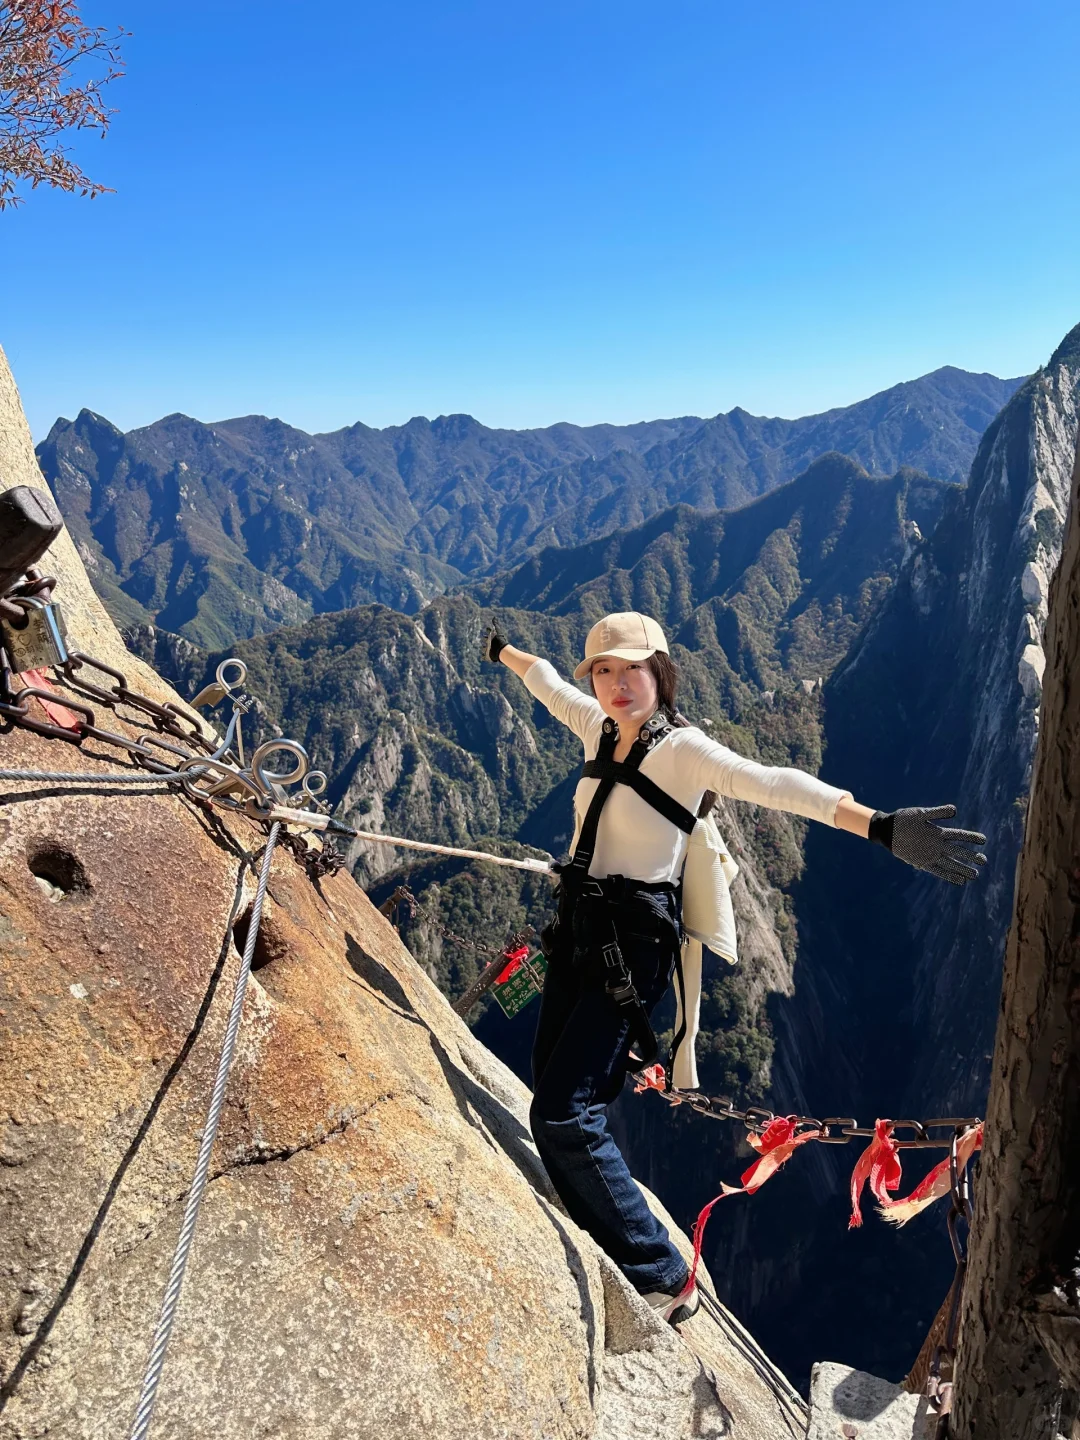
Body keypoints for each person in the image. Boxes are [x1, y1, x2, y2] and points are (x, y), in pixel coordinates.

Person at [481, 610, 986, 1324]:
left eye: (632, 671)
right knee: (550, 1089)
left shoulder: (683, 751)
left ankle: (664, 1275)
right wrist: (504, 652)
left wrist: (877, 825)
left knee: (566, 1111)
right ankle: (594, 1207)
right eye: (604, 672)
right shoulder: (596, 725)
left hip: (630, 946)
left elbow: (778, 783)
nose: (617, 685)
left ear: (660, 673)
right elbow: (546, 683)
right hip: (580, 931)